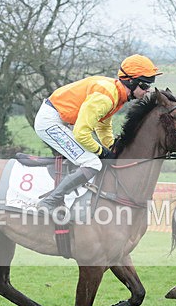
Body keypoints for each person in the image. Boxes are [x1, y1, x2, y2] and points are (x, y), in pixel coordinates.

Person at [33, 54, 162, 210]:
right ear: (131, 81)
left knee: (89, 158)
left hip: (60, 119)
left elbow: (103, 125)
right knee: (92, 162)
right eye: (144, 86)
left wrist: (113, 147)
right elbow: (81, 133)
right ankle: (50, 202)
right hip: (50, 122)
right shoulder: (106, 97)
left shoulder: (115, 93)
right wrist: (102, 152)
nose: (147, 91)